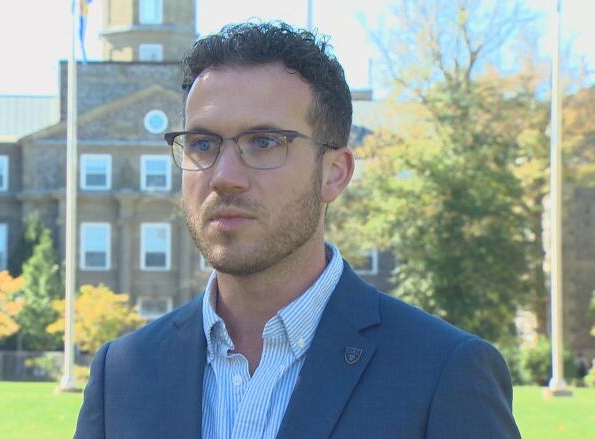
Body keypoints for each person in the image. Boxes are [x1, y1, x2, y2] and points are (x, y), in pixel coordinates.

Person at [75, 22, 520, 438]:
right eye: (203, 144)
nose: (224, 175)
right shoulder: (121, 375)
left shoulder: (442, 371)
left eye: (264, 142)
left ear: (334, 173)